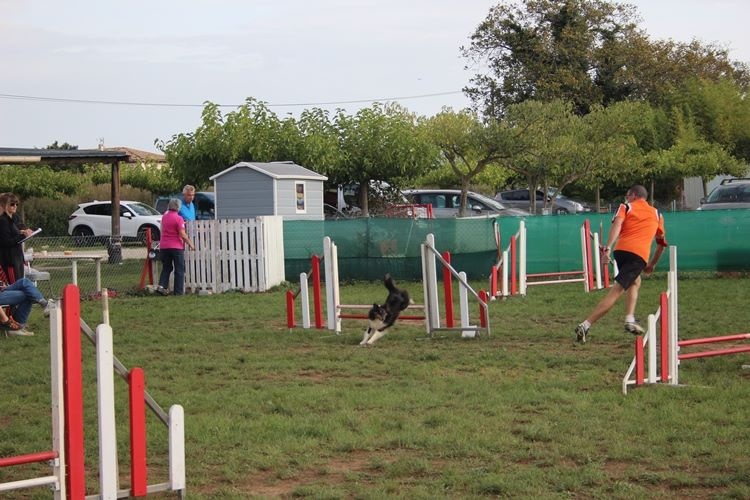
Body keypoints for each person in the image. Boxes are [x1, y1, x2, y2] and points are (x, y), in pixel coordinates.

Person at [575, 185, 668, 343]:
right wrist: (652, 264)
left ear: (633, 195)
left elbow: (617, 225)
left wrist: (608, 249)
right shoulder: (657, 214)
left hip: (621, 251)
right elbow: (660, 244)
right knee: (617, 291)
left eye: (627, 195)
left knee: (635, 281)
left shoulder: (625, 207)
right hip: (638, 255)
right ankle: (585, 325)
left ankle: (629, 318)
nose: (626, 198)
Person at [157, 198, 195, 296]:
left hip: (164, 246)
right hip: (176, 247)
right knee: (179, 269)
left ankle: (162, 286)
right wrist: (190, 244)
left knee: (167, 267)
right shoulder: (179, 218)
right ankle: (178, 292)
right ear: (178, 207)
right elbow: (182, 234)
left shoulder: (164, 217)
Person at [0, 265, 51, 337]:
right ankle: (45, 304)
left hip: (3, 289)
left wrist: (4, 286)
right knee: (28, 294)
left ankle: (45, 304)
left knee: (25, 282)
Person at [0, 192, 34, 282]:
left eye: (16, 204)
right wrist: (22, 236)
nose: (15, 206)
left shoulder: (12, 218)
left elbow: (19, 228)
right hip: (10, 260)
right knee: (15, 287)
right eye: (12, 204)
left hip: (18, 258)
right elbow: (6, 242)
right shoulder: (3, 221)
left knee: (20, 285)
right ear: (4, 205)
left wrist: (24, 232)